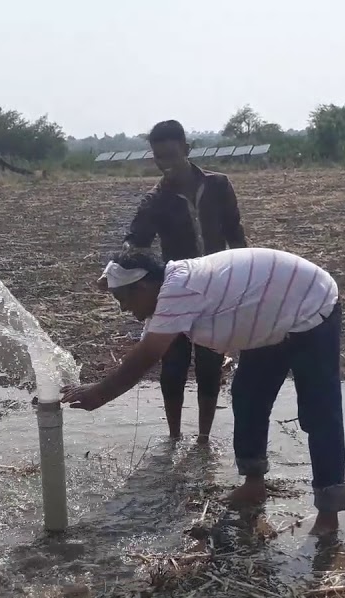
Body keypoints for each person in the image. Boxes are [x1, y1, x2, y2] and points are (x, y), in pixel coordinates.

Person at [63, 247, 345, 535]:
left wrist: (98, 394)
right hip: (269, 318)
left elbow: (147, 355)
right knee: (248, 396)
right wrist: (111, 280)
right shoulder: (166, 291)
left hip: (310, 306)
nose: (124, 309)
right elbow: (146, 343)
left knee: (319, 411)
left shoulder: (178, 289)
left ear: (144, 286)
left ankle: (329, 513)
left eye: (123, 299)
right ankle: (253, 484)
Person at [120, 119, 248, 444]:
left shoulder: (219, 185)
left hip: (218, 289)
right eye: (159, 157)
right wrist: (126, 270)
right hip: (176, 291)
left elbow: (234, 232)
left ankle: (203, 438)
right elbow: (136, 240)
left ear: (187, 150)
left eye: (172, 155)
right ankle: (174, 438)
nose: (167, 164)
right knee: (173, 367)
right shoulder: (156, 200)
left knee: (210, 364)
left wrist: (244, 274)